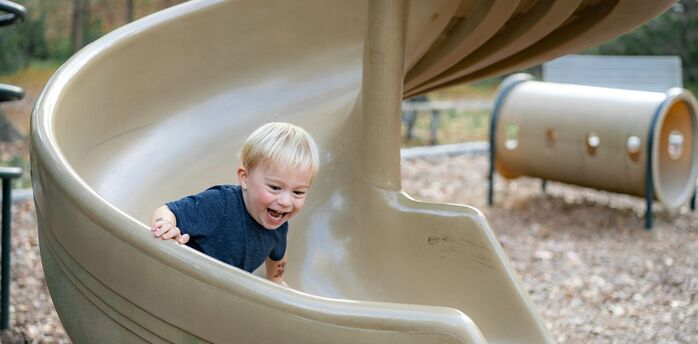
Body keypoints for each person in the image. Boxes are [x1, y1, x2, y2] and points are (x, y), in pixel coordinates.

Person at [149, 122, 319, 287]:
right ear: (245, 178)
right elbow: (167, 211)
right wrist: (165, 225)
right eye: (275, 188)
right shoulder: (220, 203)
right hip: (184, 281)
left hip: (222, 291)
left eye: (298, 192)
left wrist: (275, 281)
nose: (286, 202)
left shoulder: (279, 223)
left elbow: (278, 255)